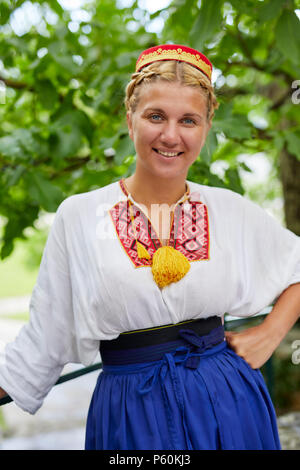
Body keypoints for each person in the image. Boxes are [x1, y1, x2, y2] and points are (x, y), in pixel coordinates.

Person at [0, 44, 300, 450]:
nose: (171, 135)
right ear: (130, 119)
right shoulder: (80, 215)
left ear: (207, 127)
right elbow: (45, 333)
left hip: (227, 401)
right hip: (130, 410)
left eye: (189, 120)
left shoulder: (229, 209)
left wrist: (270, 332)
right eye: (155, 116)